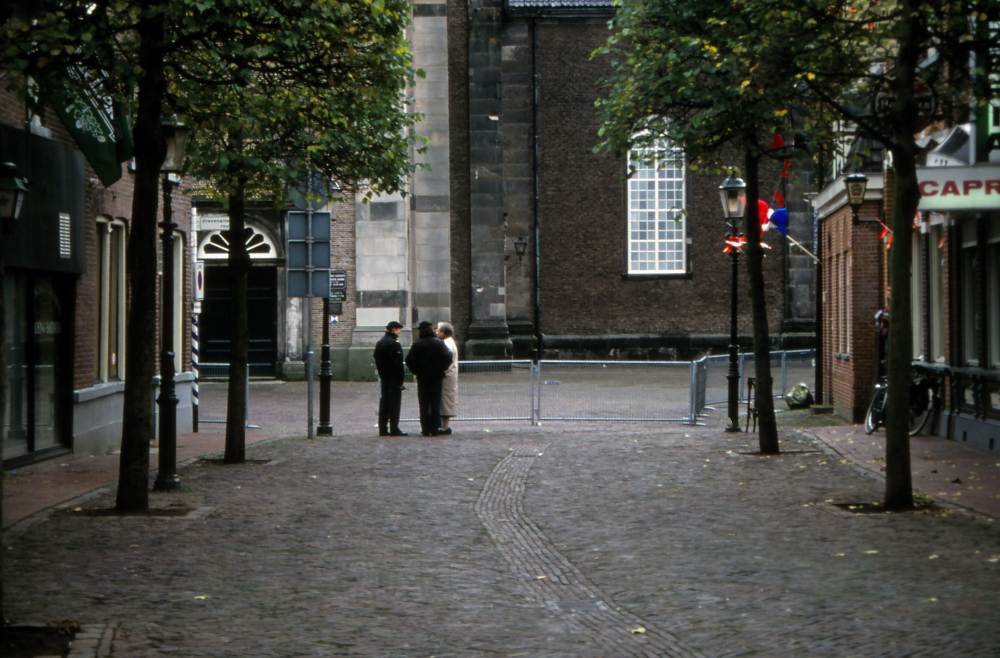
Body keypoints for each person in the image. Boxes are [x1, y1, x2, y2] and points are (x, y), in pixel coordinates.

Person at [404, 321, 453, 436]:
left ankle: (425, 428)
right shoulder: (439, 343)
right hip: (436, 376)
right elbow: (448, 357)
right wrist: (442, 369)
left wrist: (416, 371)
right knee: (435, 402)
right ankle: (435, 428)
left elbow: (409, 360)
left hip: (422, 377)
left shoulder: (417, 344)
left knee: (424, 403)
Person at [373, 321, 407, 436]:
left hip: (384, 377)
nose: (400, 332)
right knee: (394, 404)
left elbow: (376, 359)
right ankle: (394, 428)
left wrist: (382, 374)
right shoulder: (394, 343)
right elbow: (397, 365)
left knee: (384, 403)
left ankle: (382, 428)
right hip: (393, 379)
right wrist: (400, 380)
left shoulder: (380, 342)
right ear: (393, 329)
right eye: (398, 329)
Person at [437, 322, 459, 434]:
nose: (436, 332)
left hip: (447, 375)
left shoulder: (446, 343)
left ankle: (445, 426)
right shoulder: (448, 342)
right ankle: (443, 425)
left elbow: (446, 360)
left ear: (443, 332)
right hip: (448, 374)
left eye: (438, 330)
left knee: (445, 400)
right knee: (445, 400)